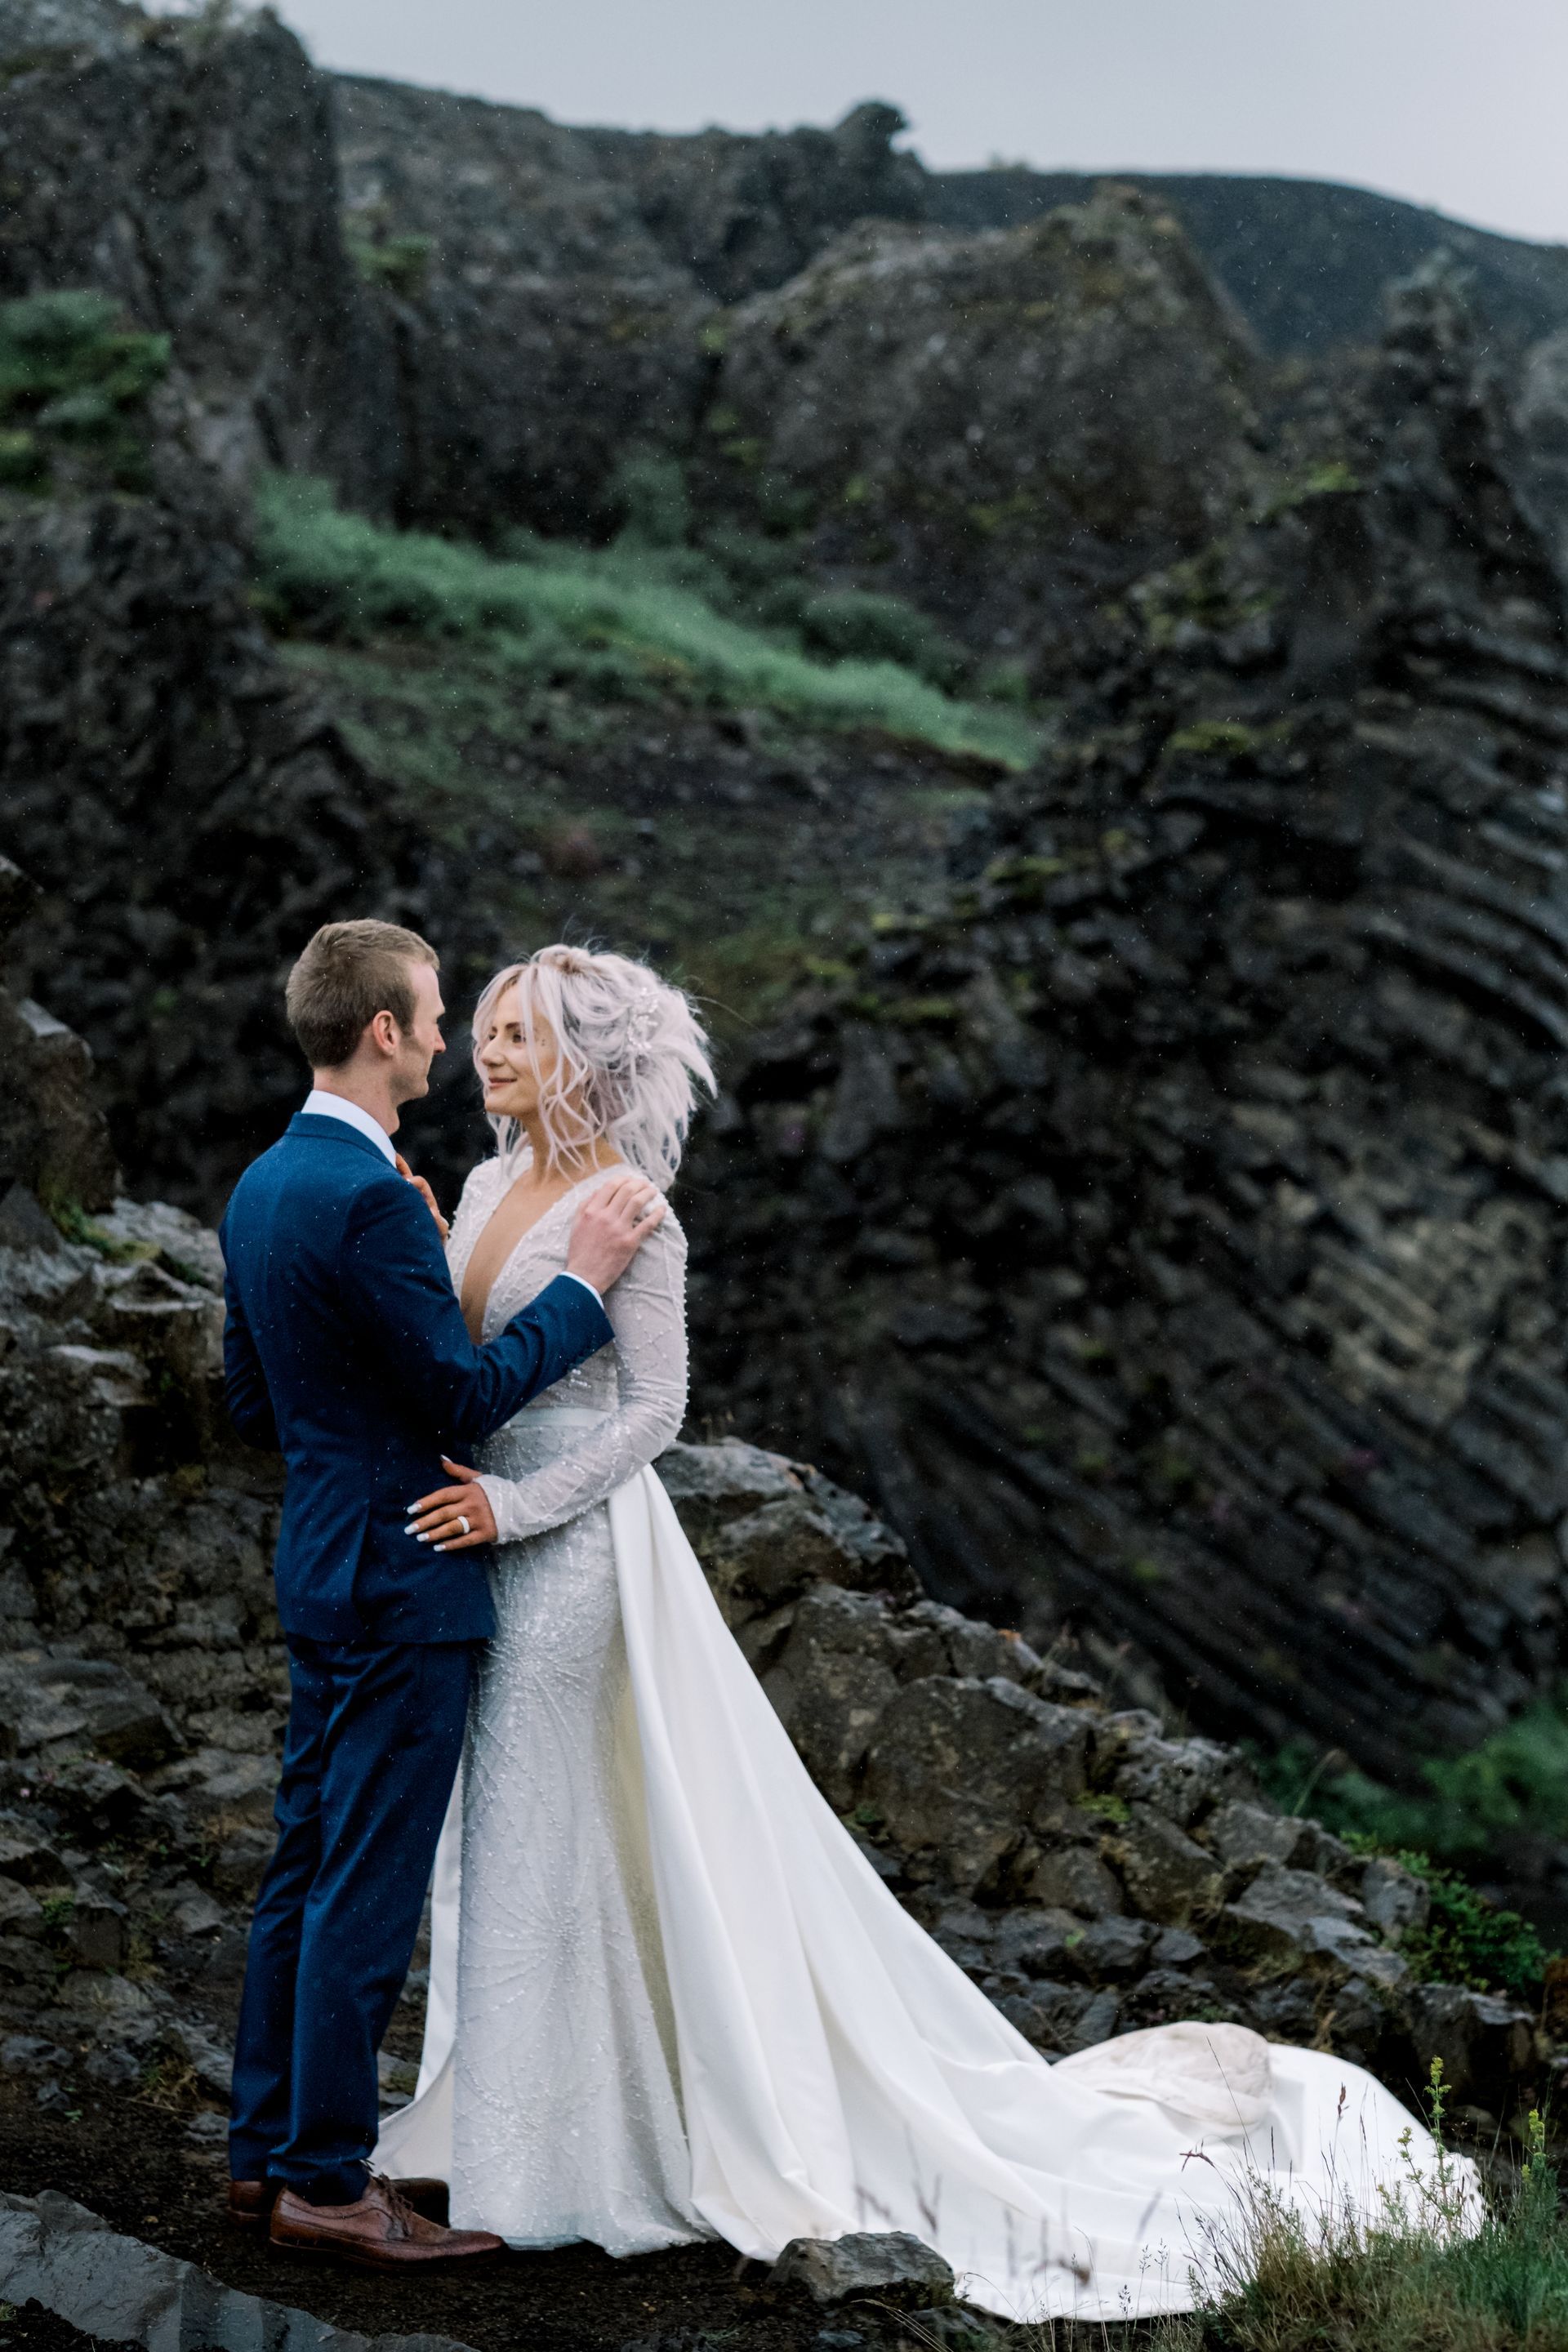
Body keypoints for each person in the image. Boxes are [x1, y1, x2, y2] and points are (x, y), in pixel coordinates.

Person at [375, 942, 1476, 2323]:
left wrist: (521, 1506)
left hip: (574, 1549)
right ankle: (506, 2120)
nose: (490, 1051)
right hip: (482, 1544)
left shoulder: (631, 1210)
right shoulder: (479, 1185)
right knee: (506, 1831)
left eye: (520, 1032)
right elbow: (467, 1360)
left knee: (550, 1829)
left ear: (585, 1058)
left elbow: (656, 1412)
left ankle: (553, 2166)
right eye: (482, 1027)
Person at [219, 920, 664, 2271]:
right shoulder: (372, 1198)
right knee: (366, 1883)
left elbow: (254, 1398)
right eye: (430, 1015)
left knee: (302, 1868)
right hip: (409, 1576)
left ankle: (261, 2157)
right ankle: (331, 2182)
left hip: (320, 1559)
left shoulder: (264, 1183)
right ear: (382, 1036)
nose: (448, 1037)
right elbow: (465, 1396)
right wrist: (582, 1283)